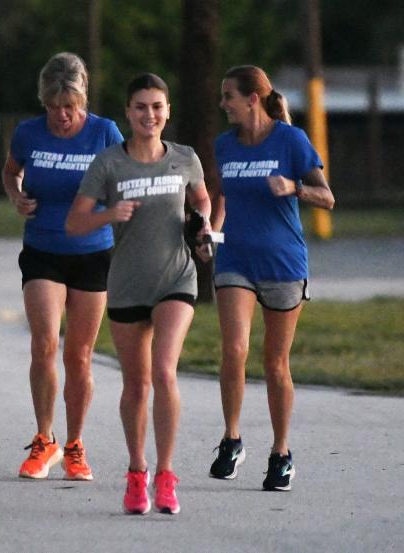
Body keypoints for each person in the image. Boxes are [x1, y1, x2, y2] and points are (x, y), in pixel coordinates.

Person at [67, 73, 212, 515]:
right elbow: (75, 222)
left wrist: (201, 224)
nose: (149, 115)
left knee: (165, 372)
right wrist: (110, 213)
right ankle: (136, 473)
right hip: (128, 281)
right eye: (141, 107)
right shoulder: (109, 164)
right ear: (128, 113)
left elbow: (202, 200)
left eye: (157, 107)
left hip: (176, 278)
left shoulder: (185, 158)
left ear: (167, 111)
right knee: (137, 382)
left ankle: (167, 477)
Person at [208, 65, 334, 491]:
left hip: (283, 264)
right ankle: (232, 438)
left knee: (275, 363)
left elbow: (327, 197)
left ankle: (281, 453)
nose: (223, 103)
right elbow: (221, 195)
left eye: (229, 96)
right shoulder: (224, 145)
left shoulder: (291, 141)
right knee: (234, 349)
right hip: (235, 259)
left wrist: (295, 189)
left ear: (253, 98)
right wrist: (211, 231)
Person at [2, 52, 123, 481]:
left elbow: (122, 180)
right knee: (44, 345)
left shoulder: (104, 133)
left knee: (80, 356)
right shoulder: (29, 133)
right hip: (43, 248)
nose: (61, 115)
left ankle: (74, 444)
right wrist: (16, 196)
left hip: (92, 252)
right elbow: (10, 172)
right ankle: (44, 438)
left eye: (69, 106)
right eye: (53, 107)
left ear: (82, 99)